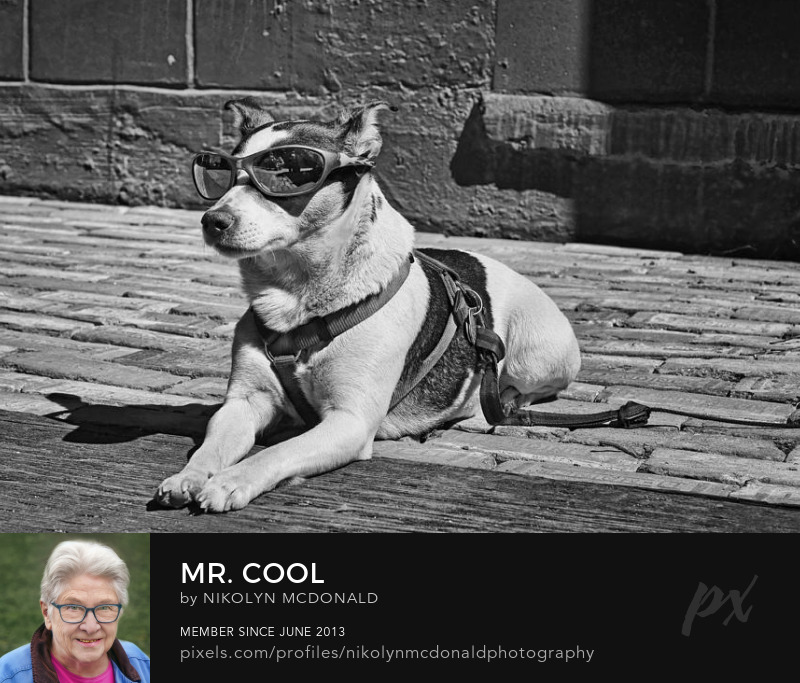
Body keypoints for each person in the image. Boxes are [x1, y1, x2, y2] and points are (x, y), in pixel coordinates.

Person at [0, 540, 150, 683]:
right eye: (74, 607)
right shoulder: (7, 676)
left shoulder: (142, 664)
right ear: (47, 613)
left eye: (104, 607)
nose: (91, 627)